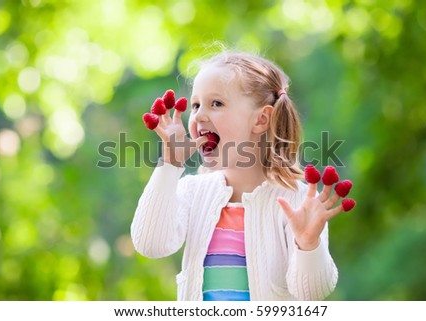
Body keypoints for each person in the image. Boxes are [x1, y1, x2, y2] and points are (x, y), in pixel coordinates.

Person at [131, 51, 350, 301]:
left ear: (260, 120)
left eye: (216, 104)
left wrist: (308, 245)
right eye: (195, 105)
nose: (199, 115)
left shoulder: (297, 201)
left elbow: (312, 293)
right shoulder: (192, 191)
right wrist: (169, 164)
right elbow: (151, 244)